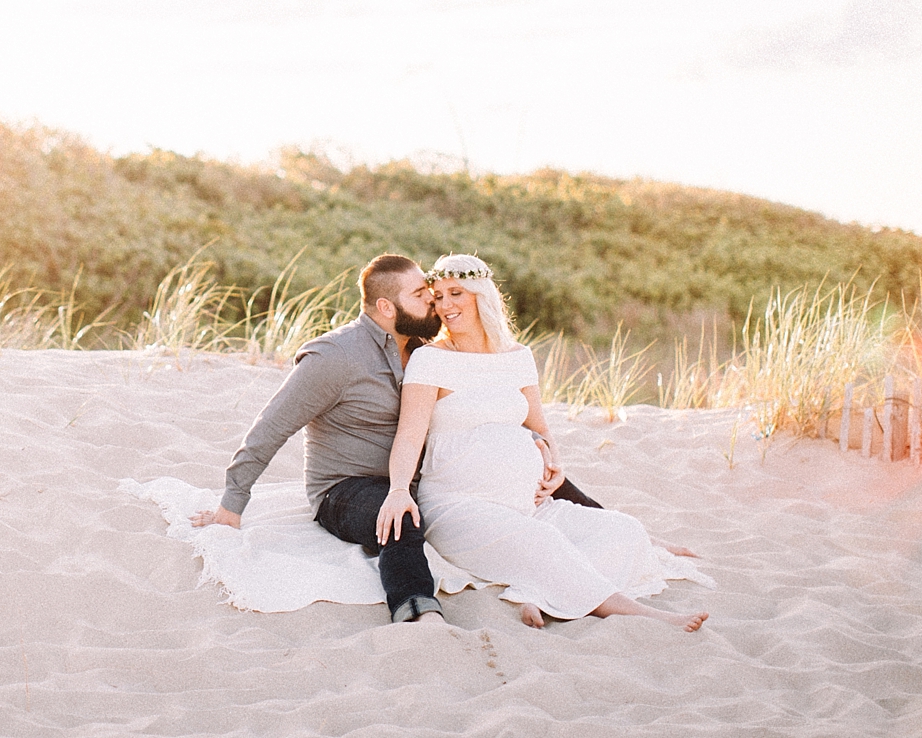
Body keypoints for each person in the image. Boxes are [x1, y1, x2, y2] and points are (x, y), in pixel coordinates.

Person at [189, 252, 606, 625]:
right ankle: (416, 608)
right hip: (350, 487)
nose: (434, 302)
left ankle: (608, 527)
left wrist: (540, 446)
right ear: (387, 306)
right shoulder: (335, 357)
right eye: (423, 295)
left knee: (539, 475)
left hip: (419, 477)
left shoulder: (425, 346)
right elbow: (270, 428)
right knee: (402, 521)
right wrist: (232, 504)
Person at [375, 253, 708, 632]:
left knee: (622, 529)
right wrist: (399, 488)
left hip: (527, 505)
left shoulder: (518, 357)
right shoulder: (430, 359)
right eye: (437, 296)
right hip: (459, 507)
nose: (445, 305)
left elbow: (540, 428)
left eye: (456, 293)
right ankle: (638, 612)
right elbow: (408, 436)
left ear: (481, 294)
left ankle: (539, 594)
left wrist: (555, 464)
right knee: (543, 541)